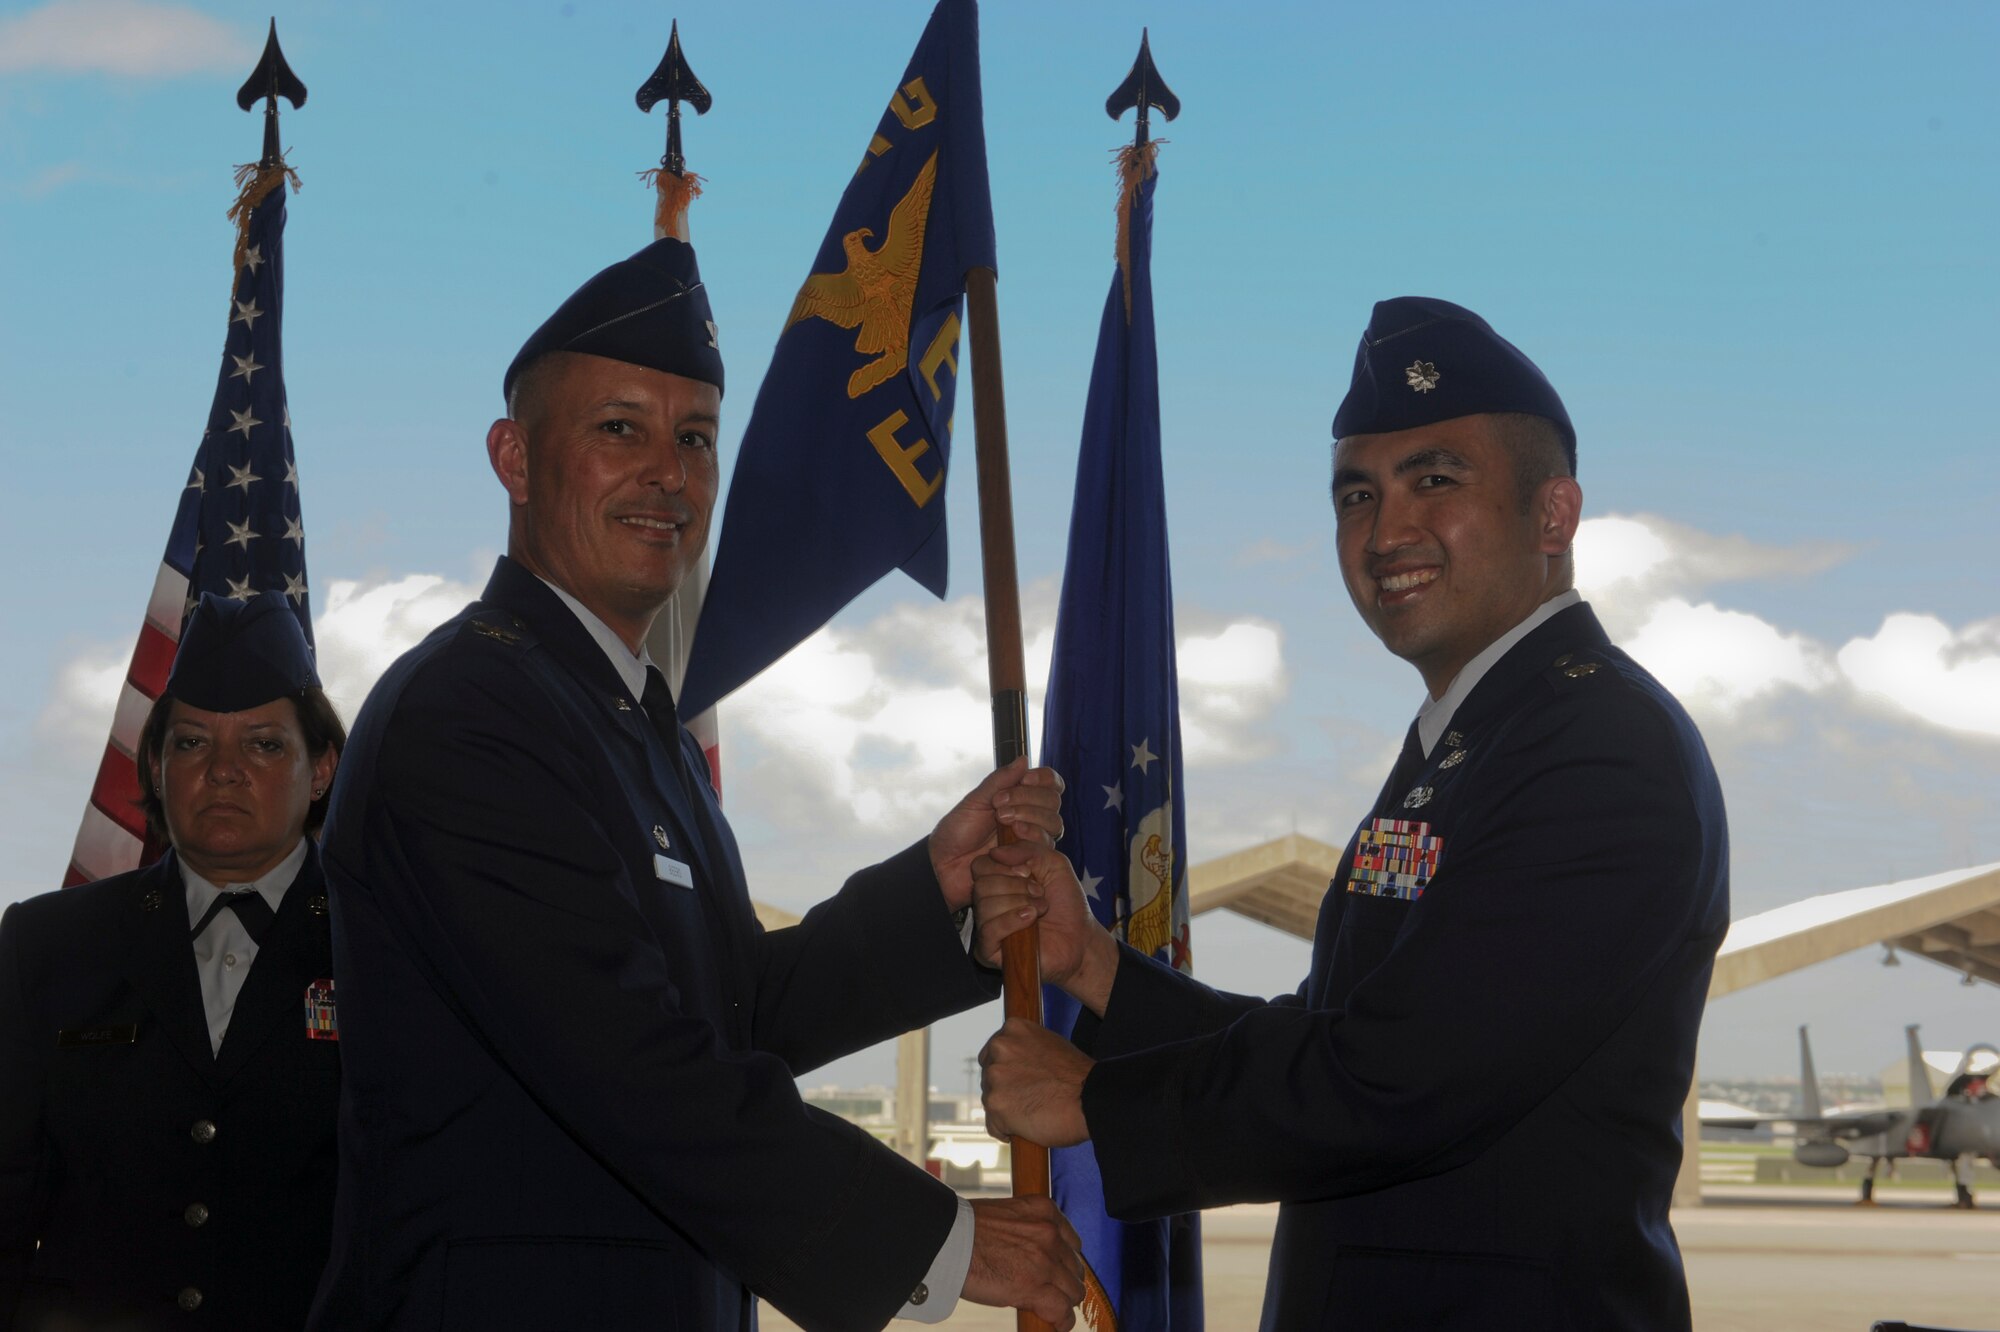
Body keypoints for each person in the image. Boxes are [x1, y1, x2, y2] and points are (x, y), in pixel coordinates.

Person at [307, 238, 1083, 1332]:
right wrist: (943, 1238)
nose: (667, 474)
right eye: (618, 429)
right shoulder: (466, 714)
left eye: (695, 439)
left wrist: (936, 891)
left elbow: (731, 1012)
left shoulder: (637, 727)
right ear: (515, 460)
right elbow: (632, 1068)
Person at [976, 297, 1731, 1331]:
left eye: (1435, 479)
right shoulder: (1475, 739)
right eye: (1354, 496)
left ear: (1551, 515)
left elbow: (1403, 1080)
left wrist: (1096, 1102)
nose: (1385, 532)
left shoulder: (1596, 747)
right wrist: (1093, 967)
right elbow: (1339, 1039)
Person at [0, 593, 345, 1329]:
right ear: (153, 764)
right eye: (191, 743)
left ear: (321, 769)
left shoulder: (384, 947)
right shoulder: (49, 946)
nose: (222, 771)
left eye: (263, 744)